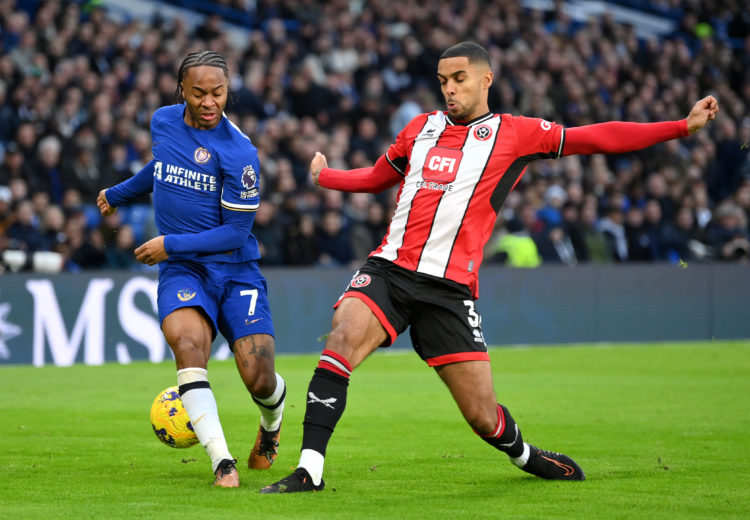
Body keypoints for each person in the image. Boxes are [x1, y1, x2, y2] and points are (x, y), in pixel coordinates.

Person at [260, 41, 719, 493]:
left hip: (450, 290)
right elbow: (380, 175)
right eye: (443, 81)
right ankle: (309, 471)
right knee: (340, 340)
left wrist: (681, 127)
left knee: (482, 415)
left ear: (486, 79)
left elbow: (595, 136)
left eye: (459, 79)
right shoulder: (420, 128)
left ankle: (526, 455)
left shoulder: (516, 133)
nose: (450, 90)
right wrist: (327, 177)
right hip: (389, 271)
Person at [97, 51, 286, 488]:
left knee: (258, 377)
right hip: (184, 270)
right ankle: (223, 462)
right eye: (199, 92)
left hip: (235, 270)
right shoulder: (163, 121)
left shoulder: (240, 154)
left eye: (217, 93)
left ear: (227, 92)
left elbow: (236, 233)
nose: (208, 102)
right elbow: (161, 168)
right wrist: (120, 192)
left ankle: (272, 424)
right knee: (187, 343)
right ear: (181, 89)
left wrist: (169, 244)